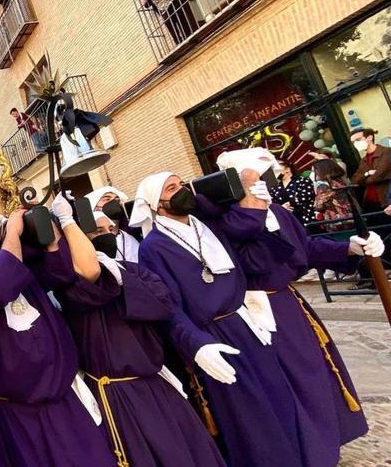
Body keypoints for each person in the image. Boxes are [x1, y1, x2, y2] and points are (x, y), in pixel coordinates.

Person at [216, 149, 377, 465]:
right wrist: (255, 215)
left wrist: (349, 247)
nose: (265, 183)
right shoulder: (227, 219)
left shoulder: (279, 212)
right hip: (258, 311)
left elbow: (305, 248)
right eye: (256, 178)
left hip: (290, 304)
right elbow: (251, 261)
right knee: (288, 384)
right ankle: (306, 451)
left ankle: (326, 440)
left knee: (314, 374)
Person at [134, 171, 305, 467]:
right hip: (214, 336)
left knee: (278, 399)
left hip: (247, 324)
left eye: (182, 184)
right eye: (172, 188)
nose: (183, 190)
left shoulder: (209, 225)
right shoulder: (153, 247)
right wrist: (198, 345)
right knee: (249, 417)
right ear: (156, 204)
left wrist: (266, 215)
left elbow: (255, 261)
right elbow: (169, 307)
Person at [50, 196, 226, 467]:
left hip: (157, 384)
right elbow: (90, 277)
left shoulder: (131, 270)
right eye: (97, 232)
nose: (107, 237)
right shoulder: (70, 285)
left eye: (111, 231)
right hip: (118, 395)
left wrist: (122, 277)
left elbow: (162, 304)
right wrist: (67, 223)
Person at [0, 211, 116, 467]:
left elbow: (61, 274)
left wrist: (48, 232)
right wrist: (11, 234)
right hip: (16, 413)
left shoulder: (23, 265)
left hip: (62, 399)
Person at [86, 186, 140, 261]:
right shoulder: (90, 241)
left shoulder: (129, 237)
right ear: (94, 206)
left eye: (117, 200)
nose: (114, 202)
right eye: (107, 199)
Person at [350, 128, 391, 213]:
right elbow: (354, 180)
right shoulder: (364, 160)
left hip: (386, 201)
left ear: (369, 138)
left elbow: (379, 176)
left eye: (358, 140)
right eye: (353, 142)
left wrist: (364, 180)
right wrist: (367, 173)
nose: (356, 144)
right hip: (370, 203)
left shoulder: (386, 152)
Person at [313, 158, 354, 232]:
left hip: (337, 221)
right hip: (352, 216)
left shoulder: (323, 186)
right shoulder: (341, 181)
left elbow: (318, 206)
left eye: (315, 171)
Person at [271, 159, 316, 225]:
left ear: (287, 169)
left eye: (277, 167)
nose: (274, 170)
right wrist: (280, 207)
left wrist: (290, 203)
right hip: (285, 220)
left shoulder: (303, 181)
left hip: (304, 217)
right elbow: (272, 202)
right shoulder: (275, 187)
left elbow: (306, 196)